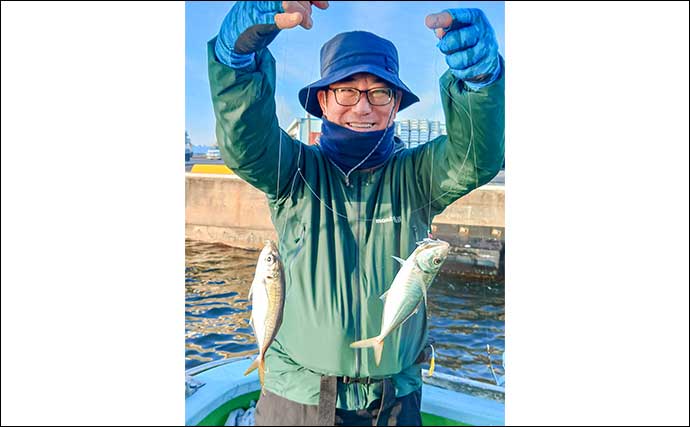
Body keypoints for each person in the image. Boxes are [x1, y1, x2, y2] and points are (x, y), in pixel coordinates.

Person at [208, 1, 504, 425]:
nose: (363, 107)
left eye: (380, 92)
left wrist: (481, 85)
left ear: (396, 103)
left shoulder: (417, 174)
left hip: (396, 401)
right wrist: (235, 58)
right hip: (297, 398)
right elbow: (245, 141)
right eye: (347, 90)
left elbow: (475, 158)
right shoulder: (292, 170)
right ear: (324, 102)